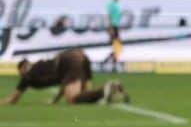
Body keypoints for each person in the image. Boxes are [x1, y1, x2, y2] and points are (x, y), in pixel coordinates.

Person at [0, 48, 128, 106]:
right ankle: (108, 91)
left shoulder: (27, 76)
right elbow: (63, 83)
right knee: (83, 93)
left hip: (69, 61)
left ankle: (106, 89)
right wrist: (55, 100)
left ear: (22, 70)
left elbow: (13, 99)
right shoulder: (40, 66)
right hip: (77, 56)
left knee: (72, 99)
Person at [105, 0, 123, 65]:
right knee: (117, 45)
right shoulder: (111, 4)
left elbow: (118, 16)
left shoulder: (118, 3)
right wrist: (110, 28)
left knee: (117, 46)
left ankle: (109, 61)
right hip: (112, 26)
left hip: (116, 26)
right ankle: (111, 62)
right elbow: (109, 16)